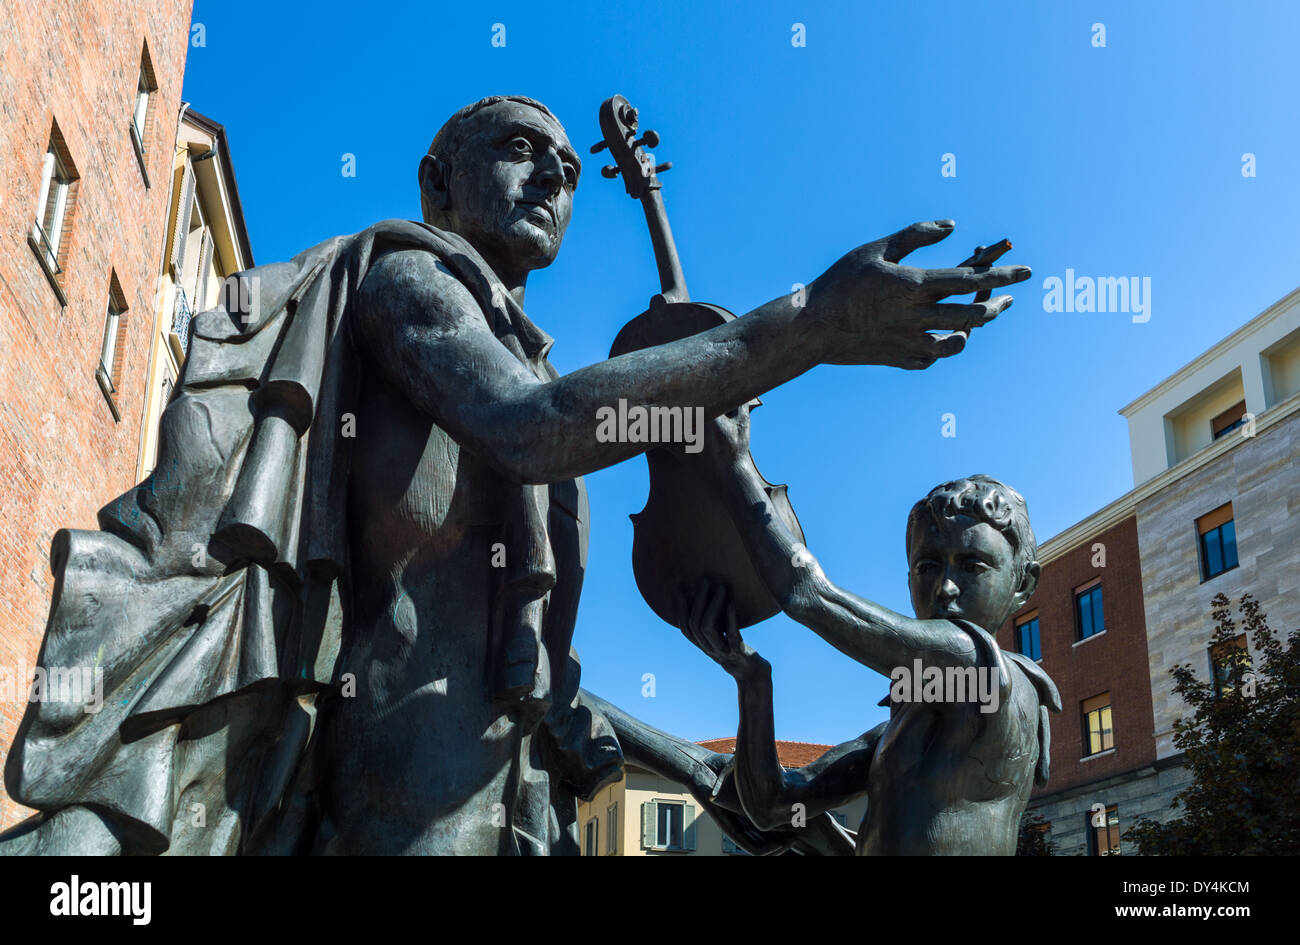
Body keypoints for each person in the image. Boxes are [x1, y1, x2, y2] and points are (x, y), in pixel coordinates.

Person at [1, 95, 1029, 854]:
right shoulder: (408, 281)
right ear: (436, 180)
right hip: (396, 807)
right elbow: (539, 430)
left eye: (569, 170)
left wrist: (686, 759)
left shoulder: (527, 360)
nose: (551, 178)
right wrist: (804, 326)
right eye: (518, 151)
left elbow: (521, 665)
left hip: (495, 805)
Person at [681, 406, 1060, 854]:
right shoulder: (893, 736)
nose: (946, 589)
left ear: (1024, 584)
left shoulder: (980, 667)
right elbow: (771, 805)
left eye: (973, 565)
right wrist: (752, 682)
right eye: (927, 566)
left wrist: (735, 469)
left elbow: (809, 596)